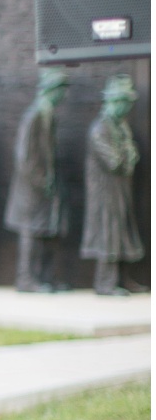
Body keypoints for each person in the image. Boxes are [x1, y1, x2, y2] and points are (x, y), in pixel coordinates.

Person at [6, 69, 70, 293]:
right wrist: (41, 180)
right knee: (31, 232)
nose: (63, 96)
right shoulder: (35, 115)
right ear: (52, 91)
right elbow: (24, 156)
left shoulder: (47, 114)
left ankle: (44, 277)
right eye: (61, 90)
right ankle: (26, 279)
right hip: (32, 188)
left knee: (46, 231)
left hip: (44, 186)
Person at [81, 74, 144, 297]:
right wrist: (128, 153)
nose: (126, 108)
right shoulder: (100, 129)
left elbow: (131, 155)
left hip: (120, 191)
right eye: (123, 103)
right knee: (108, 235)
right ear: (113, 102)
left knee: (123, 234)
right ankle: (105, 283)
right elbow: (114, 161)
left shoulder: (121, 127)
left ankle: (123, 279)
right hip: (105, 194)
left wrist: (128, 153)